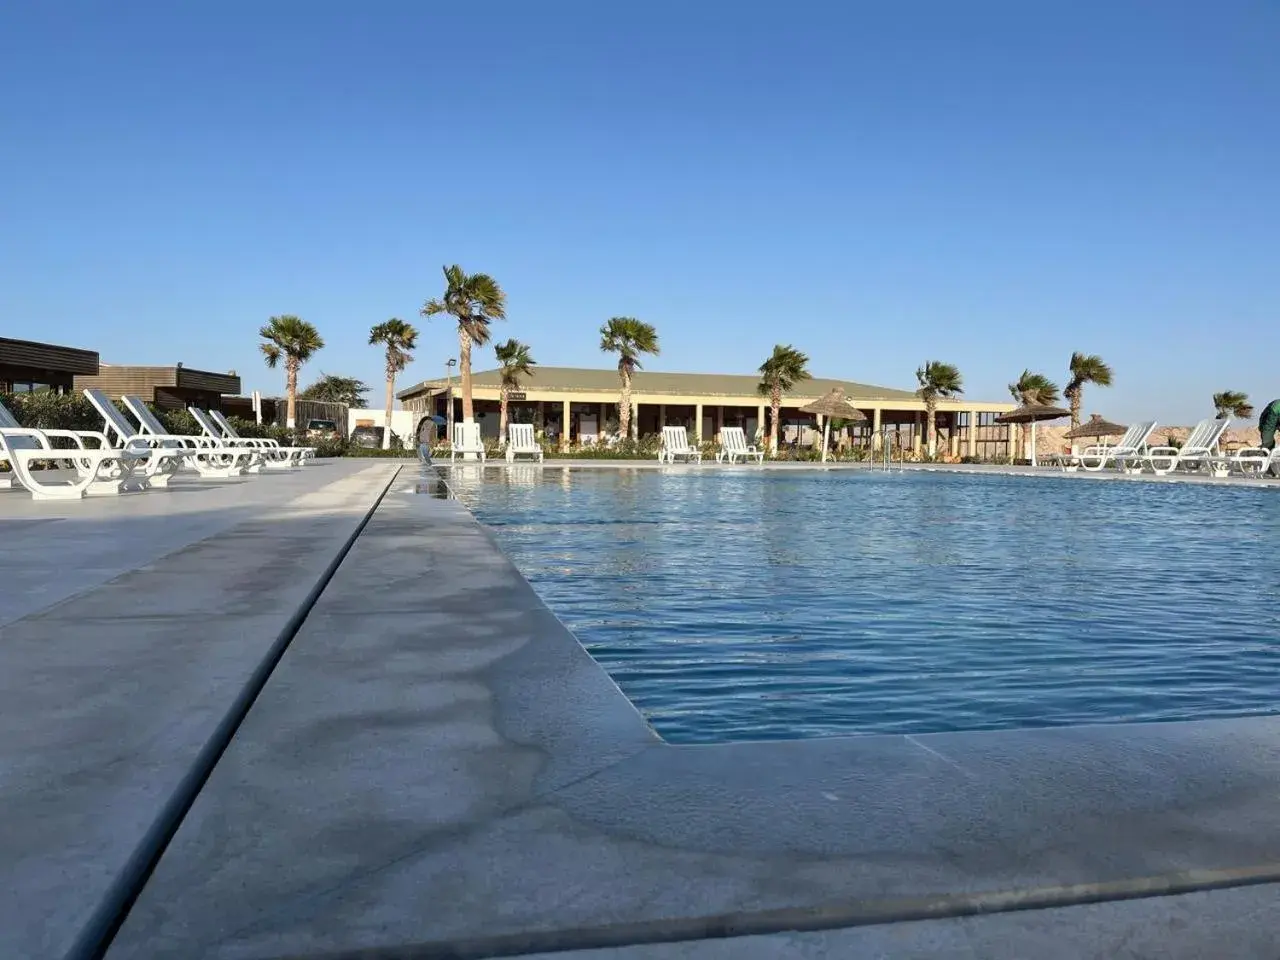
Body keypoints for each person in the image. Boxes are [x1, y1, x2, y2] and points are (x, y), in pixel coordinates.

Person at [1259, 399, 1280, 476]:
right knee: (1267, 441)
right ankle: (1269, 469)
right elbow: (1267, 430)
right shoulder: (1274, 408)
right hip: (1270, 415)